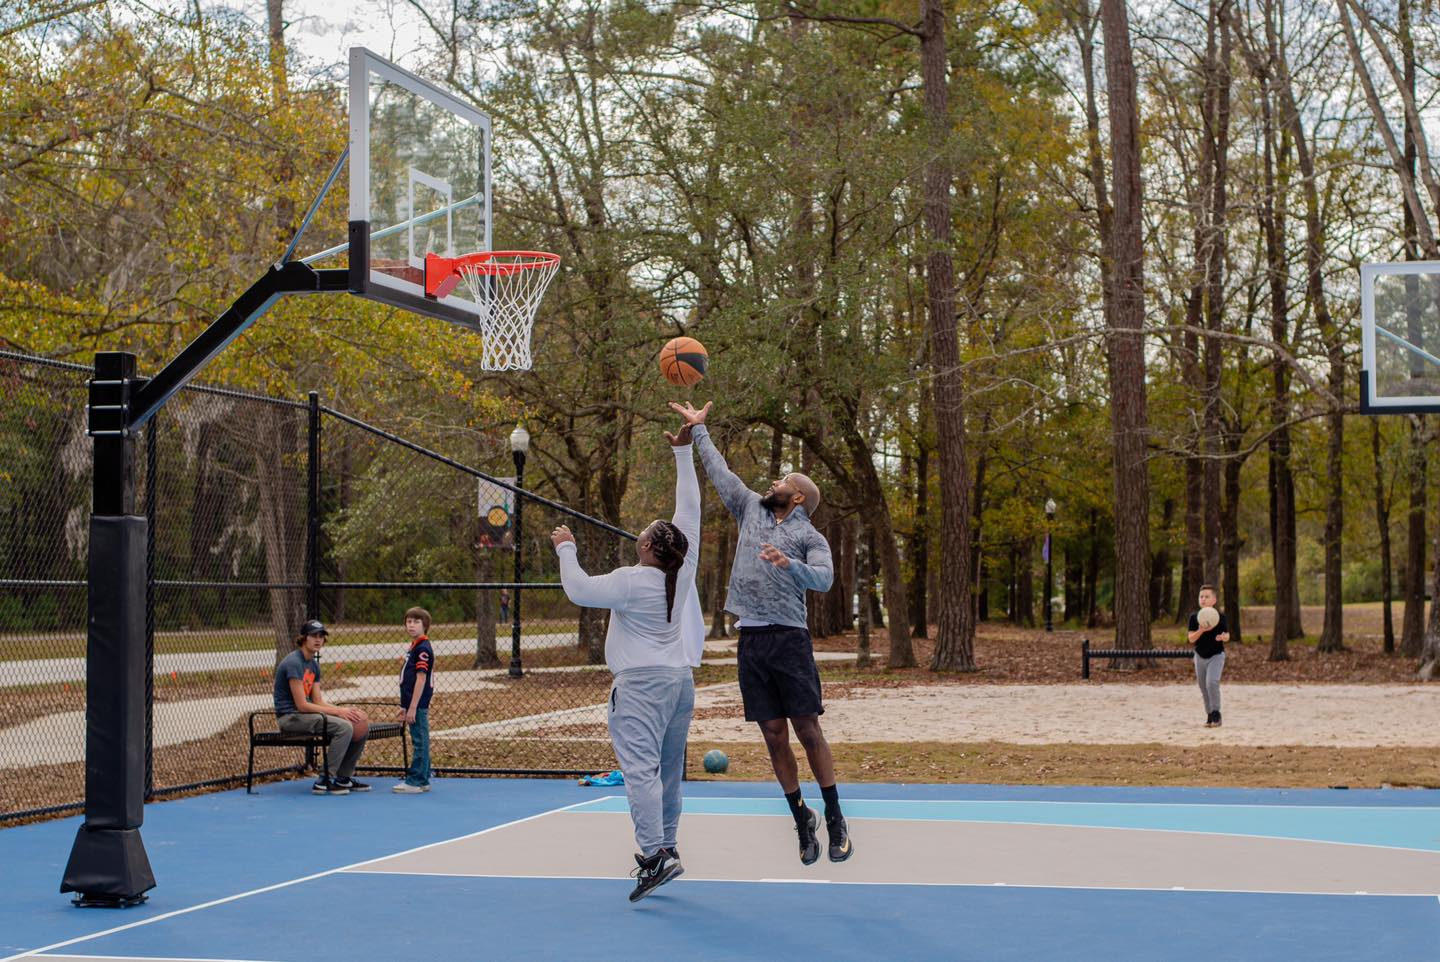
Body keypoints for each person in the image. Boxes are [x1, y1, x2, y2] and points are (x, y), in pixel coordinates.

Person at [668, 400, 850, 865]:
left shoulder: (811, 538)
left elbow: (825, 580)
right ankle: (800, 819)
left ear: (797, 498)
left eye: (782, 482)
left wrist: (791, 566)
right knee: (772, 734)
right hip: (751, 641)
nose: (773, 483)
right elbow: (721, 473)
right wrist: (700, 431)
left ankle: (833, 816)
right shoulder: (749, 507)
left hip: (789, 639)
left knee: (807, 730)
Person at [551, 423, 703, 902]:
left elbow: (577, 589)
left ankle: (656, 854)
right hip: (679, 682)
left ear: (647, 547)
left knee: (641, 772)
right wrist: (683, 454)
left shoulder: (633, 580)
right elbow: (691, 511)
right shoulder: (683, 566)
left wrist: (565, 547)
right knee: (667, 773)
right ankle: (669, 846)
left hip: (640, 687)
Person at [273, 619, 370, 794]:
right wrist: (338, 712)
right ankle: (324, 780)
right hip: (290, 718)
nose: (318, 640)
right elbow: (302, 705)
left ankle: (342, 778)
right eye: (313, 636)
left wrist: (345, 711)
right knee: (344, 728)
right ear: (303, 638)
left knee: (359, 723)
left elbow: (317, 701)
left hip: (306, 716)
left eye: (321, 636)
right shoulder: (294, 663)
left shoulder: (313, 664)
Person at [393, 606, 435, 794]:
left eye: (416, 622)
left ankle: (417, 780)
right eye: (409, 621)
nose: (411, 625)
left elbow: (421, 678)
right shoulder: (415, 646)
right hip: (411, 704)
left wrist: (412, 707)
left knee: (419, 741)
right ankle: (423, 778)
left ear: (425, 625)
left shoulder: (423, 648)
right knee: (420, 739)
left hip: (417, 704)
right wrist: (405, 706)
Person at [1186, 584, 1230, 727]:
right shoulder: (1194, 617)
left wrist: (1223, 637)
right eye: (1201, 597)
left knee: (1212, 682)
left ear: (1214, 600)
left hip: (1216, 655)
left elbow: (1227, 635)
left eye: (1207, 597)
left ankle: (1217, 713)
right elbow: (1191, 638)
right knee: (1203, 686)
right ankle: (1210, 714)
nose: (1203, 599)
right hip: (1200, 656)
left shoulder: (1221, 617)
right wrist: (1201, 631)